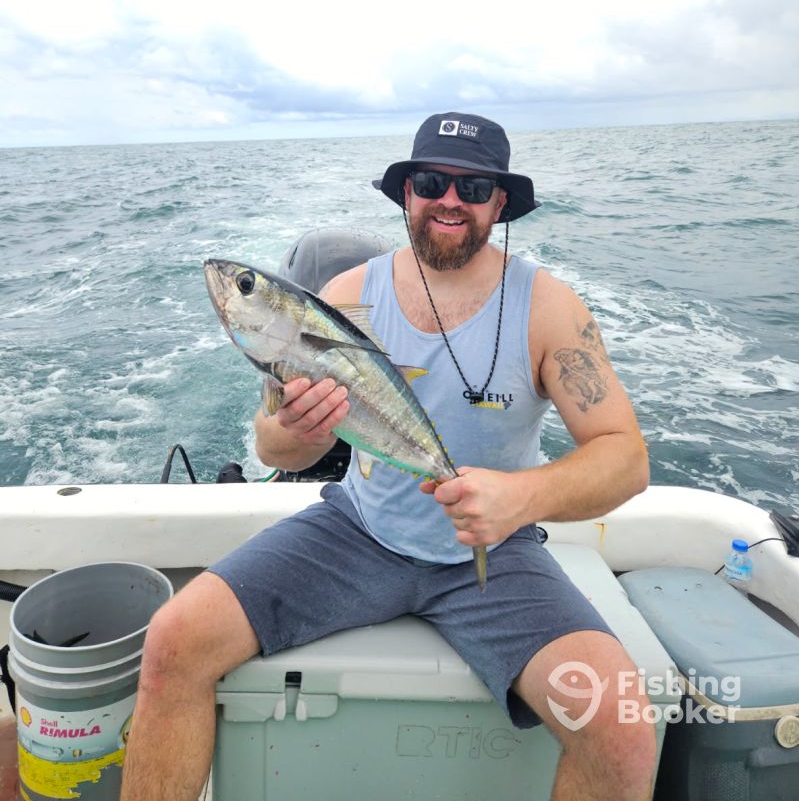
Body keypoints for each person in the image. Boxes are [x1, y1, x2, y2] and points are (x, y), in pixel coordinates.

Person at [121, 111, 656, 801]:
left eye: (473, 188)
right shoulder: (346, 297)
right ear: (407, 193)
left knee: (622, 726)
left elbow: (626, 458)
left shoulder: (548, 307)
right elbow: (272, 444)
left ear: (499, 203)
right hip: (357, 530)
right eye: (431, 182)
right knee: (171, 642)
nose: (449, 201)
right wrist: (300, 432)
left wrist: (520, 499)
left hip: (493, 550)